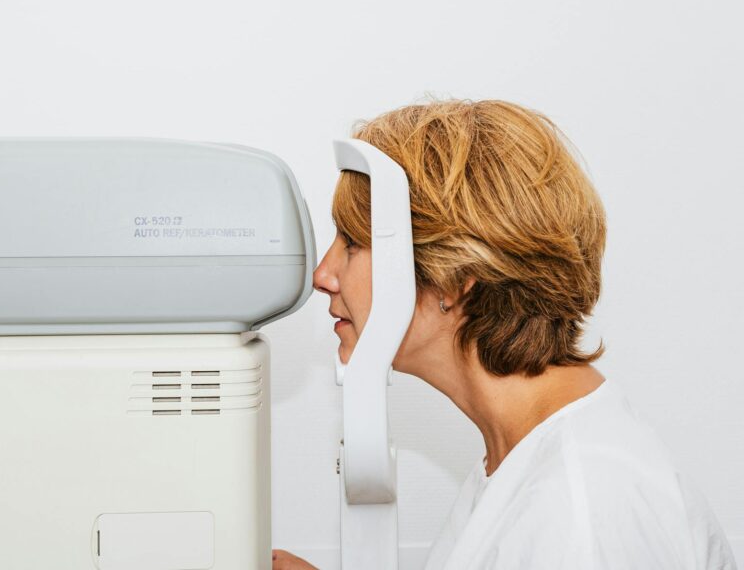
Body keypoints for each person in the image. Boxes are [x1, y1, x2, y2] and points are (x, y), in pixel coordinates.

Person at [272, 98, 737, 570]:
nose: (322, 275)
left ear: (453, 277)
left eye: (352, 243)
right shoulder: (522, 458)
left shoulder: (581, 514)